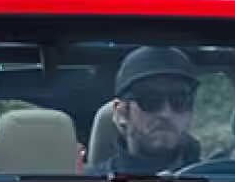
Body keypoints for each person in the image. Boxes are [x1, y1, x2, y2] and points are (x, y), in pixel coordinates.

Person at [86, 45, 205, 174]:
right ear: (121, 112)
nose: (166, 113)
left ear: (191, 111)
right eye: (150, 100)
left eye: (180, 100)